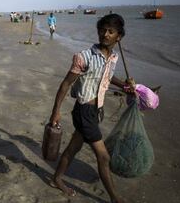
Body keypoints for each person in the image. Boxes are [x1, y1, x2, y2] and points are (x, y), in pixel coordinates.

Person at [48, 14, 132, 203]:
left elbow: (108, 77)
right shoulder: (84, 57)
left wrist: (125, 86)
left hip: (96, 112)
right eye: (102, 30)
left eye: (111, 31)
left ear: (119, 36)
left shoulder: (113, 58)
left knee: (72, 149)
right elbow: (65, 84)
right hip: (83, 112)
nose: (105, 34)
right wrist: (56, 112)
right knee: (103, 157)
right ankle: (115, 198)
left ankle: (56, 179)